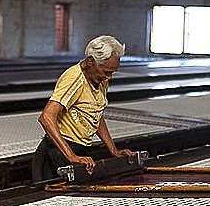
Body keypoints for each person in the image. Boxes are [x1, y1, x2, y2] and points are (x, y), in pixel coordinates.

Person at [32, 35, 136, 181]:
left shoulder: (100, 80)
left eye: (112, 72)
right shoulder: (74, 79)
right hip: (57, 153)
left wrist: (114, 150)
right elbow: (47, 117)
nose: (109, 77)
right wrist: (71, 156)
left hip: (79, 150)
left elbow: (95, 114)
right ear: (90, 61)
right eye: (106, 72)